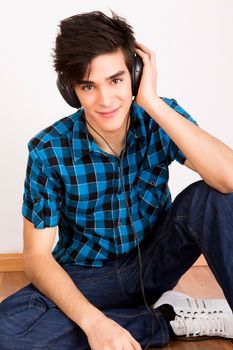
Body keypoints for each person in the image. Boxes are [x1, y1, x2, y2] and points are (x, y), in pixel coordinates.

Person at [0, 10, 233, 350]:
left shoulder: (158, 116)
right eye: (88, 86)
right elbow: (36, 257)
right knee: (7, 331)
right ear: (71, 90)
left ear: (135, 75)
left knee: (214, 196)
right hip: (90, 276)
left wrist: (150, 101)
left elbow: (227, 178)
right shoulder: (48, 151)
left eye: (116, 80)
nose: (106, 101)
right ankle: (169, 319)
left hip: (156, 261)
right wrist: (92, 322)